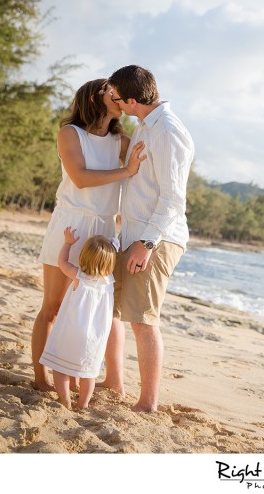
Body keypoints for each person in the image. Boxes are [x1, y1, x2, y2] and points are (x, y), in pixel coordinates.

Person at [32, 78, 146, 392]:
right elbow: (80, 178)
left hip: (106, 233)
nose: (118, 96)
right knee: (53, 307)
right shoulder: (70, 133)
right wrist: (126, 171)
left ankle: (107, 380)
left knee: (100, 309)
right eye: (112, 91)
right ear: (95, 97)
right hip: (71, 224)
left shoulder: (121, 142)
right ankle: (41, 380)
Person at [98, 65, 194, 412]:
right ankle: (114, 381)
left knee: (143, 320)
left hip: (157, 239)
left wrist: (148, 243)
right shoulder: (144, 126)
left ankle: (148, 402)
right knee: (116, 310)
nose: (115, 103)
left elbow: (173, 199)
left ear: (133, 99)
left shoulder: (168, 132)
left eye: (117, 98)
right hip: (134, 235)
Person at [39, 228, 117, 409]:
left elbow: (62, 261)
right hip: (95, 337)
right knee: (89, 373)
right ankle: (83, 404)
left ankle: (65, 399)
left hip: (72, 330)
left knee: (60, 367)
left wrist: (68, 243)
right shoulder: (110, 283)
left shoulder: (79, 276)